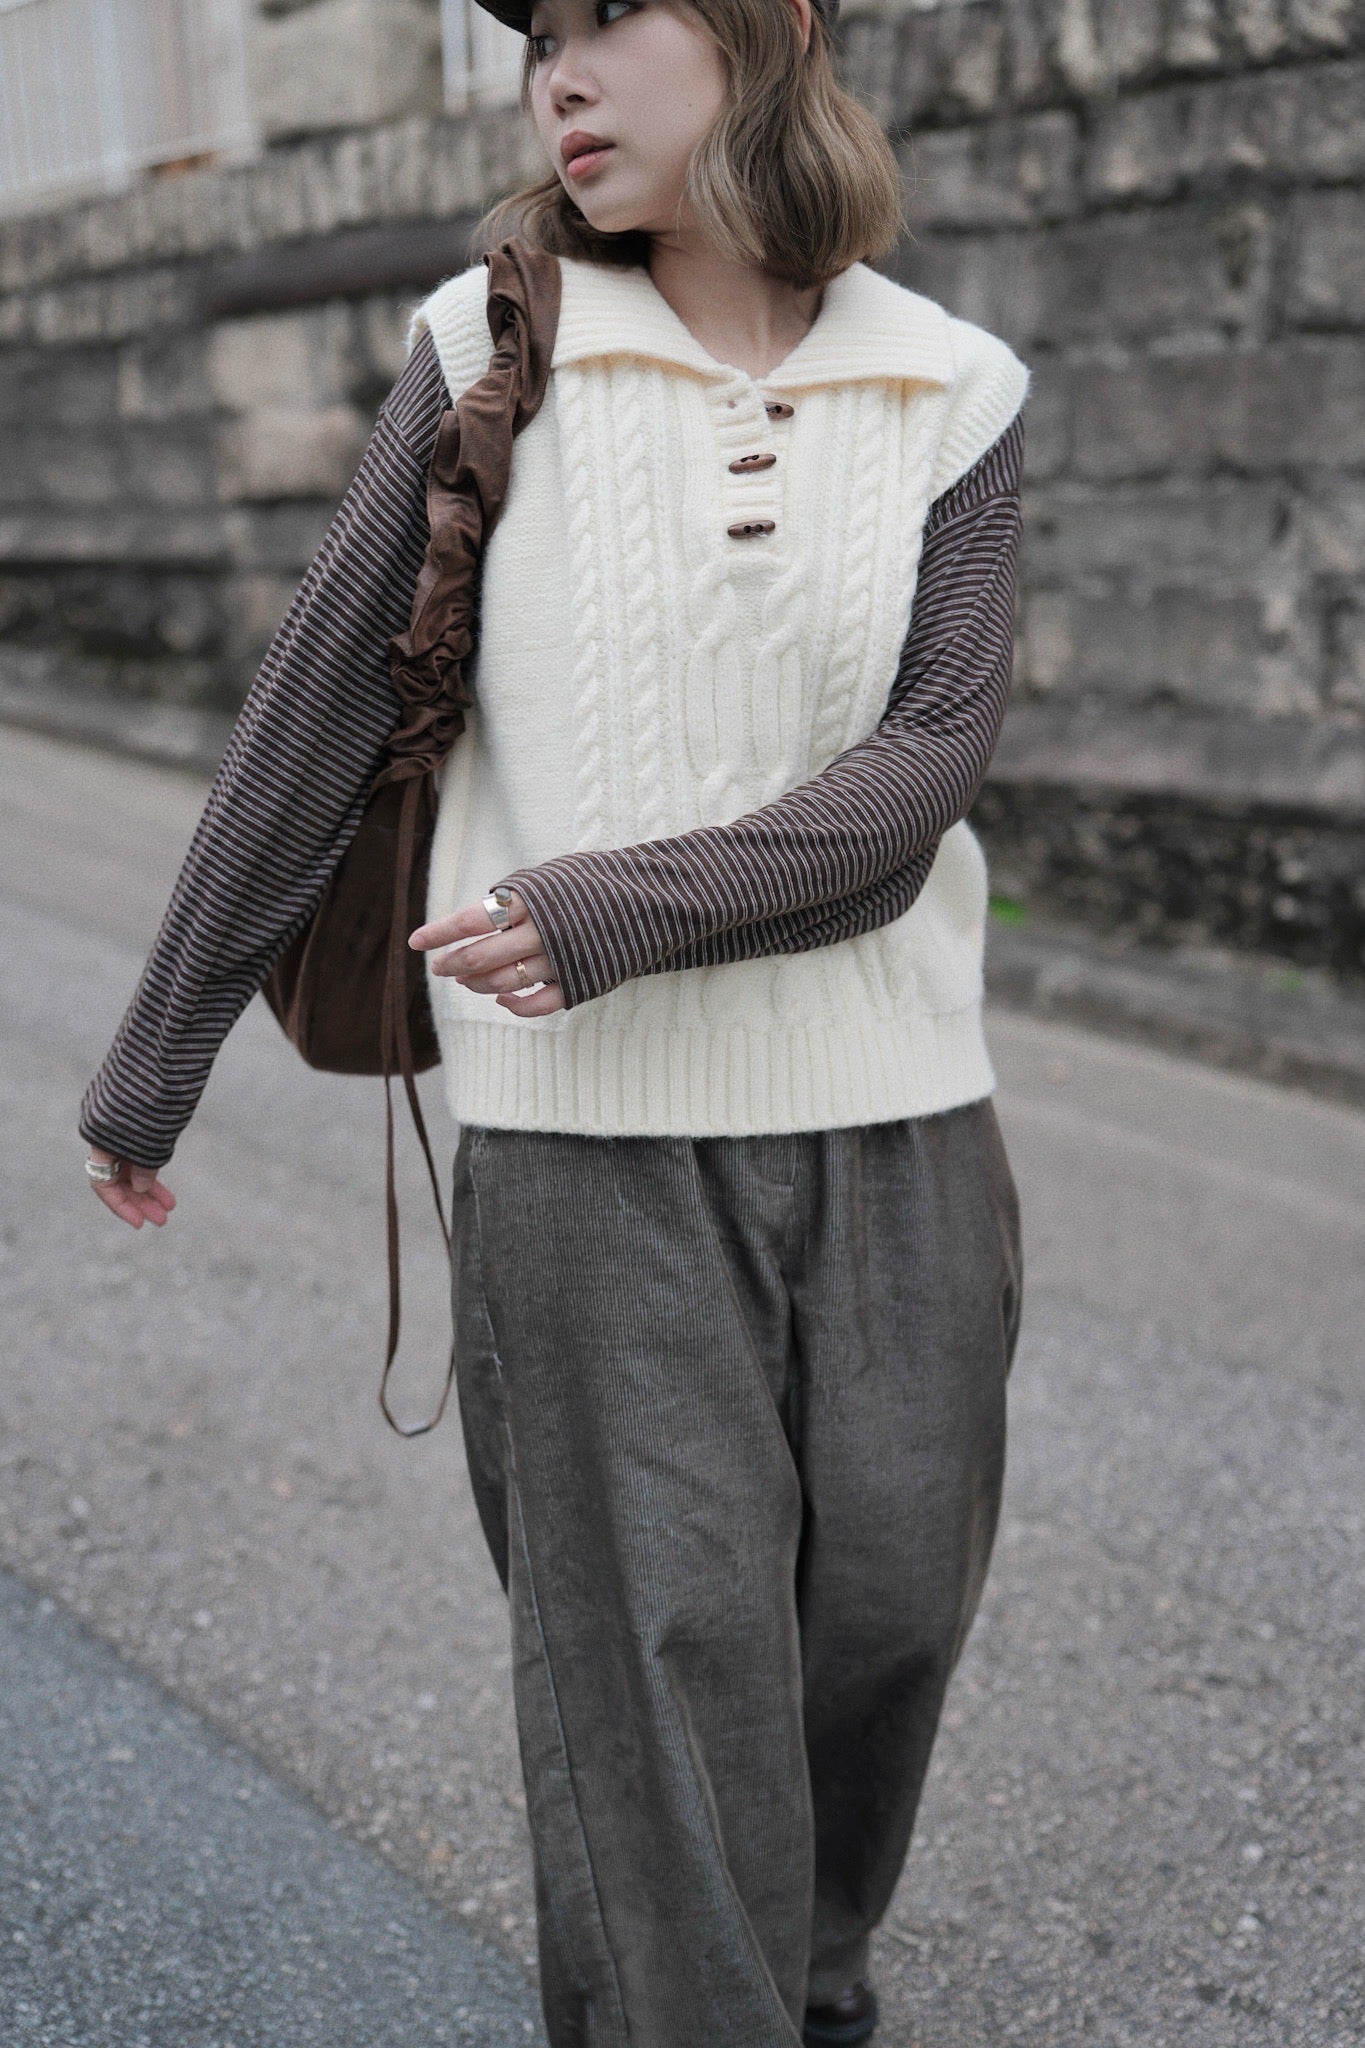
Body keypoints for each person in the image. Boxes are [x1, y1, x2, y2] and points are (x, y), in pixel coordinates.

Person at [80, 0, 1028, 2039]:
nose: (559, 78)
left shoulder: (948, 381)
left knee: (882, 1623)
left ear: (772, 31)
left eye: (612, 20)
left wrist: (607, 909)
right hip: (583, 1158)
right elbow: (307, 720)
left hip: (904, 1120)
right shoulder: (487, 348)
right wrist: (154, 1063)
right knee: (658, 1675)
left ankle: (807, 1988)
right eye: (538, 39)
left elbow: (925, 768)